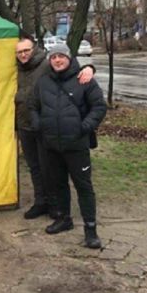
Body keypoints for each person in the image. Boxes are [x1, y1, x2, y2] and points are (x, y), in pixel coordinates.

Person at [30, 43, 107, 249]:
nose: (57, 60)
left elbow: (99, 106)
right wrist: (39, 125)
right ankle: (64, 219)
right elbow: (33, 106)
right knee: (58, 184)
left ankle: (91, 230)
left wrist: (84, 127)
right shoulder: (43, 82)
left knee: (84, 187)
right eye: (54, 57)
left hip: (76, 144)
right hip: (51, 144)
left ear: (69, 58)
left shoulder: (84, 80)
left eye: (61, 56)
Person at [15, 34, 94, 220]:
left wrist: (89, 68)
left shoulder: (45, 64)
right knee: (34, 166)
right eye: (19, 52)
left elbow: (69, 69)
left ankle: (54, 204)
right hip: (25, 124)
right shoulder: (17, 68)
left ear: (34, 49)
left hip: (47, 126)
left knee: (48, 168)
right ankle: (40, 201)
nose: (23, 55)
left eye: (26, 50)